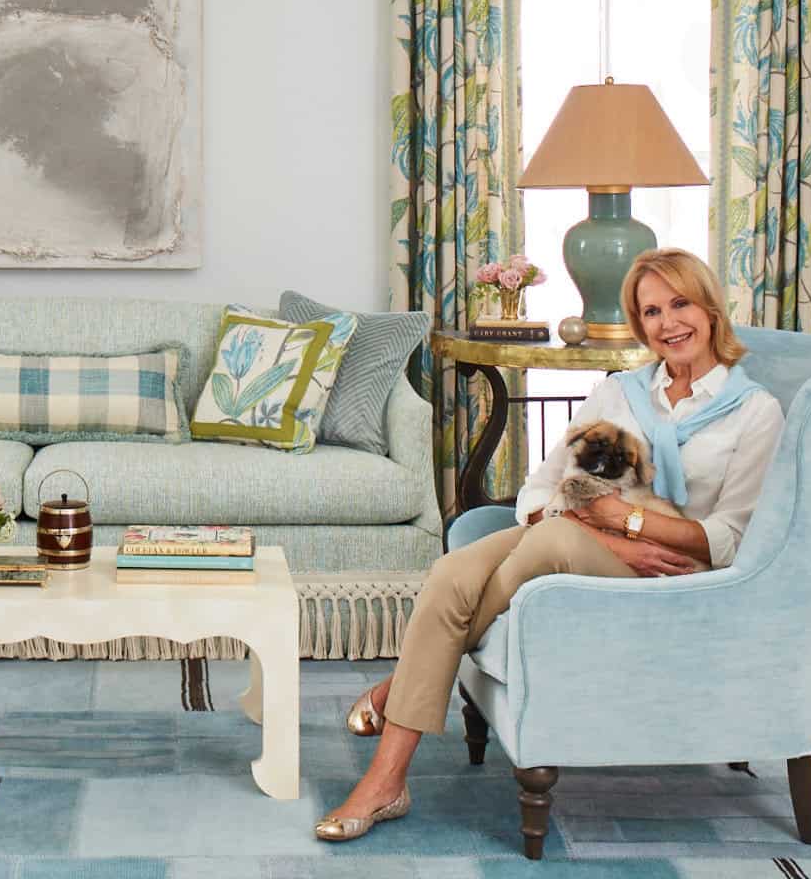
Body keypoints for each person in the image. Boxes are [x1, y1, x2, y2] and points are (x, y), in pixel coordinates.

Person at [313, 248, 785, 841]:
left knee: (551, 537)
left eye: (680, 303)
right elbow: (538, 491)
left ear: (710, 307)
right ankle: (390, 783)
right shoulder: (621, 394)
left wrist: (624, 523)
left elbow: (726, 539)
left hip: (666, 572)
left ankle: (395, 701)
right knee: (454, 572)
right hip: (583, 538)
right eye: (652, 312)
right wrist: (601, 529)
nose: (669, 324)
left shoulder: (754, 412)